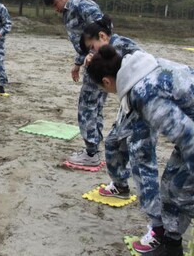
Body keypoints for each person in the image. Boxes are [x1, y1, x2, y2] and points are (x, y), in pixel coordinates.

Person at [87, 45, 194, 256]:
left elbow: (191, 137)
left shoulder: (145, 94)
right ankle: (171, 245)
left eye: (104, 88)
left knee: (185, 192)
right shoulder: (136, 67)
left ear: (106, 81)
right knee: (169, 188)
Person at [80, 17, 162, 253]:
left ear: (103, 37)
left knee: (142, 162)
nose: (92, 52)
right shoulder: (107, 51)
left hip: (144, 106)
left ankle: (159, 229)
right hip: (129, 106)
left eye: (92, 47)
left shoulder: (126, 47)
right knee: (114, 142)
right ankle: (120, 185)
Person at [43, 0, 105, 166]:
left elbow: (103, 31)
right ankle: (94, 150)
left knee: (87, 106)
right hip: (91, 62)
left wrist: (93, 55)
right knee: (95, 107)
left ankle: (91, 154)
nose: (55, 10)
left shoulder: (82, 5)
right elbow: (82, 40)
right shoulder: (68, 12)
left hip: (99, 62)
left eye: (55, 4)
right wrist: (77, 63)